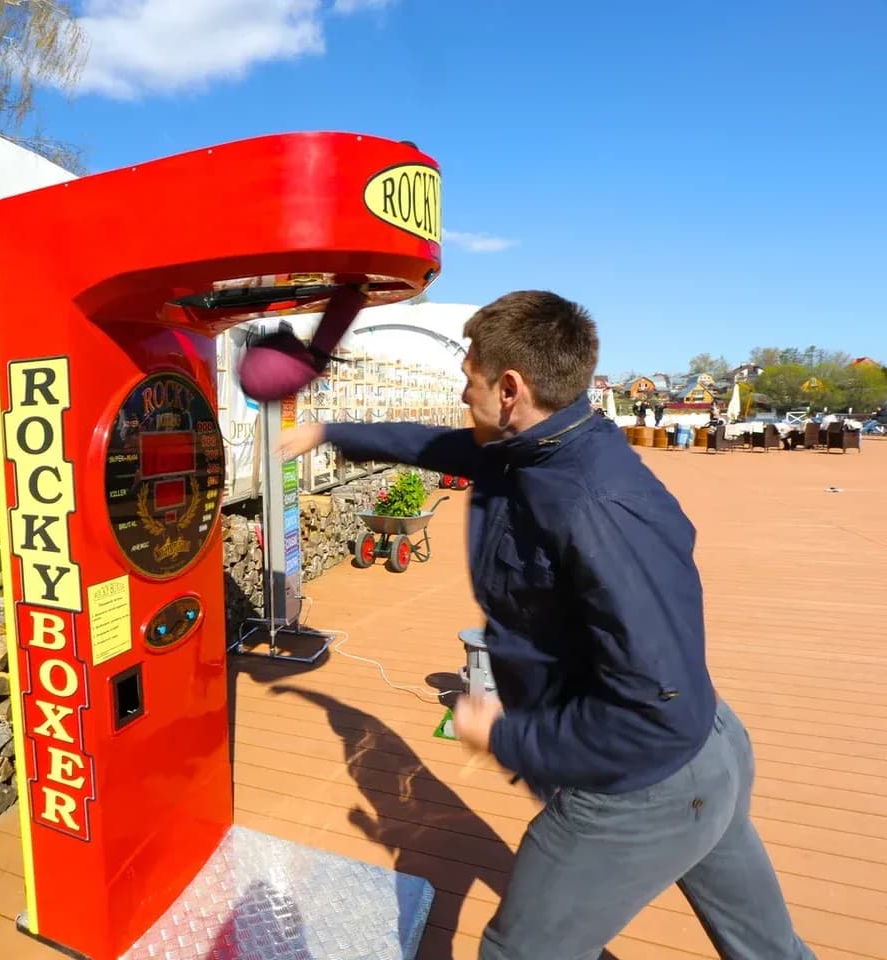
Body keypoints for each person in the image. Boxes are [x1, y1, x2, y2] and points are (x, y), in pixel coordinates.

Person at [275, 291, 813, 960]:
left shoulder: (594, 505)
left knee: (518, 952)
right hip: (705, 751)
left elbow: (654, 704)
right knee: (770, 952)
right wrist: (329, 433)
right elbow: (441, 444)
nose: (459, 394)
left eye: (467, 380)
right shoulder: (537, 445)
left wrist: (509, 736)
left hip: (648, 780)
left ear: (509, 388)